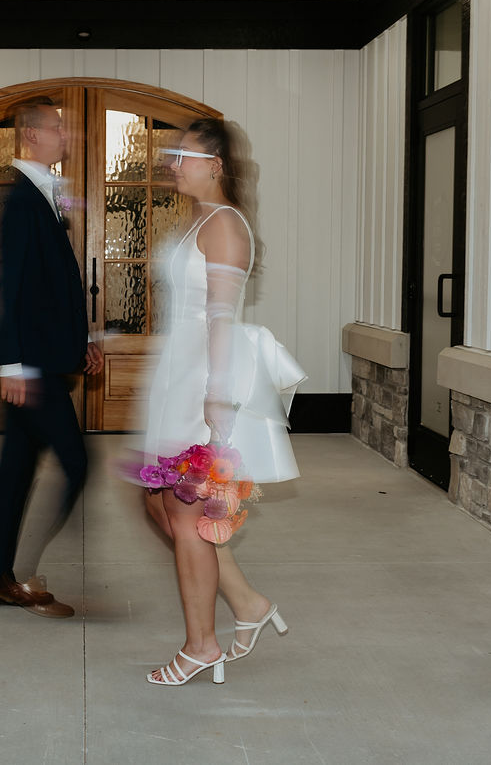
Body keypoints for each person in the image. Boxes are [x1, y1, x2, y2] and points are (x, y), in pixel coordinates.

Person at [141, 118, 306, 685]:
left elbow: (218, 318)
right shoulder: (200, 221)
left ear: (215, 162)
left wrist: (215, 404)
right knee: (159, 506)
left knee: (187, 518)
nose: (173, 164)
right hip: (177, 379)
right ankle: (248, 605)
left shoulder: (226, 226)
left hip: (200, 387)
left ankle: (200, 645)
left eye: (184, 155)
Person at [0, 96, 104, 619]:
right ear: (31, 135)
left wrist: (82, 342)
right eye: (56, 128)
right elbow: (13, 286)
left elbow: (54, 288)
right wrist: (12, 364)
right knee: (76, 463)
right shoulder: (20, 199)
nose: (65, 135)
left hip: (45, 359)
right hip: (30, 370)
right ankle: (19, 575)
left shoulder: (44, 194)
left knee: (14, 473)